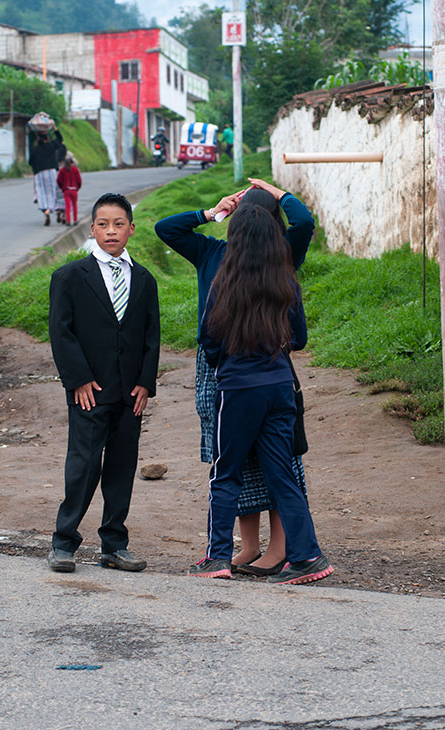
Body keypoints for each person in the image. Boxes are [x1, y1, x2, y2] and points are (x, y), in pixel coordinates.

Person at [154, 178, 315, 575]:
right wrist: (274, 198)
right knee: (272, 464)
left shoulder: (223, 261)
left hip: (230, 374)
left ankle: (235, 554)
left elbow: (210, 333)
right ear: (275, 225)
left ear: (234, 223)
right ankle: (284, 552)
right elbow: (167, 229)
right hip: (274, 371)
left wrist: (222, 361)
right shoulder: (279, 266)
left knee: (228, 465)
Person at [189, 203, 333, 585]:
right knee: (282, 475)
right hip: (280, 387)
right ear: (274, 238)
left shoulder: (223, 283)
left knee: (225, 473)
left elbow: (209, 341)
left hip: (238, 389)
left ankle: (217, 557)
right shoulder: (286, 282)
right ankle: (307, 557)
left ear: (234, 239)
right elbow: (299, 339)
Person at [47, 193, 160, 574]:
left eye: (118, 224)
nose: (111, 231)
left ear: (131, 228)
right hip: (89, 391)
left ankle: (114, 544)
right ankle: (64, 543)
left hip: (130, 392)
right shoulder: (69, 277)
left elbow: (150, 336)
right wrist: (77, 380)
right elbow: (61, 333)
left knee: (122, 466)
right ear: (91, 229)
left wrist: (146, 383)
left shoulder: (144, 279)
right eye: (102, 224)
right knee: (83, 464)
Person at [28, 123, 65, 227]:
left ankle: (46, 211)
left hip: (39, 174)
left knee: (42, 193)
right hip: (52, 172)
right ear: (47, 138)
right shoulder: (51, 146)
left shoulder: (34, 149)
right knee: (53, 192)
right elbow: (60, 139)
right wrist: (54, 127)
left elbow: (30, 162)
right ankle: (57, 209)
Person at [57, 153, 82, 226]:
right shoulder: (75, 170)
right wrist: (77, 188)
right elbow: (79, 181)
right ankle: (75, 220)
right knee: (74, 205)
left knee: (67, 206)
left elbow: (59, 180)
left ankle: (68, 221)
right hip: (74, 190)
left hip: (66, 190)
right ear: (72, 163)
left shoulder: (62, 170)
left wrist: (62, 188)